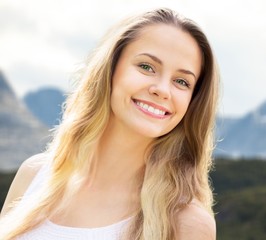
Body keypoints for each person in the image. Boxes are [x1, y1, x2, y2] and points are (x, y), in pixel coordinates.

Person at [0, 7, 219, 240]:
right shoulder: (33, 175)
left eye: (182, 81)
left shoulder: (186, 223)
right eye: (147, 67)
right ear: (110, 69)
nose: (162, 90)